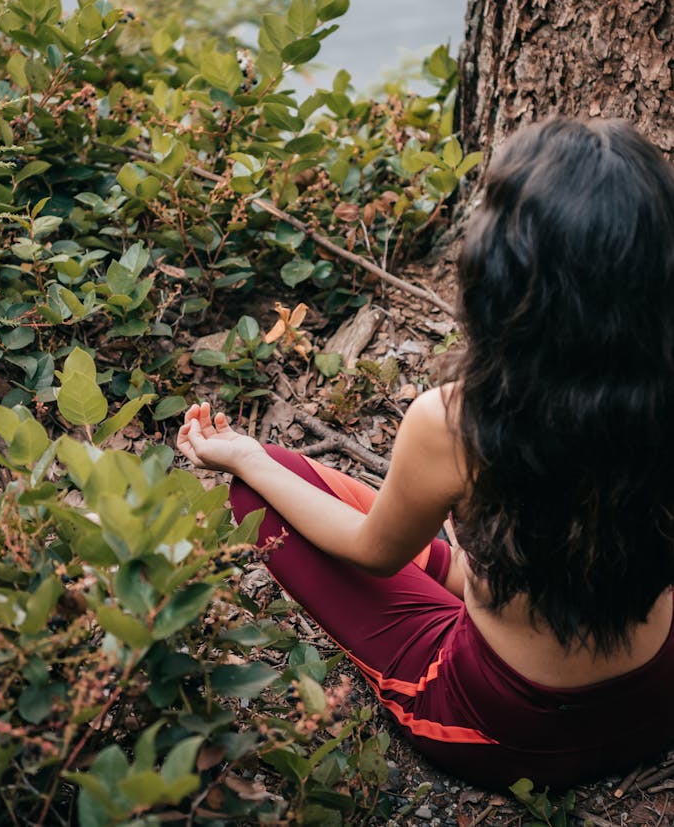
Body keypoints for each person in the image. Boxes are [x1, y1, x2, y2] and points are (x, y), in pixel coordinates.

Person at [176, 117, 674, 791]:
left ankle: (457, 580)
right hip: (656, 695)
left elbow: (372, 551)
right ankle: (469, 577)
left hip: (502, 727)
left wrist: (244, 458)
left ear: (502, 275)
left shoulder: (456, 420)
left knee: (263, 488)